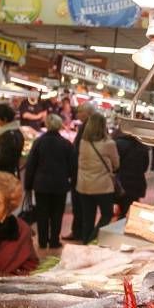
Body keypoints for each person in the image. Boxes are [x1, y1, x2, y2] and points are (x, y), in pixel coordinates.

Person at [24, 114, 76, 249]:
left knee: (42, 213)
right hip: (60, 185)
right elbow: (73, 167)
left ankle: (42, 241)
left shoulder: (39, 142)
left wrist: (28, 185)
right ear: (59, 126)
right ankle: (54, 241)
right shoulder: (66, 144)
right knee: (57, 214)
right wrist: (70, 181)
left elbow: (31, 165)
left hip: (41, 185)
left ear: (47, 125)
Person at [76, 113, 120, 243]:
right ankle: (92, 239)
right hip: (102, 187)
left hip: (84, 186)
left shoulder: (83, 142)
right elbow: (116, 164)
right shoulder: (109, 144)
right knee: (107, 215)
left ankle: (86, 243)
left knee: (87, 218)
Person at [64, 102, 95, 241]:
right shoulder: (88, 126)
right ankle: (80, 232)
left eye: (79, 112)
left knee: (81, 205)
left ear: (87, 113)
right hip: (83, 172)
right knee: (81, 205)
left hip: (82, 172)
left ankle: (81, 233)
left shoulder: (89, 127)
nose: (77, 115)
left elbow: (82, 151)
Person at [114, 127, 149, 219]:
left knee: (121, 211)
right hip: (136, 184)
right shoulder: (142, 146)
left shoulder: (117, 144)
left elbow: (114, 165)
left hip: (121, 183)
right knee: (130, 213)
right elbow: (145, 167)